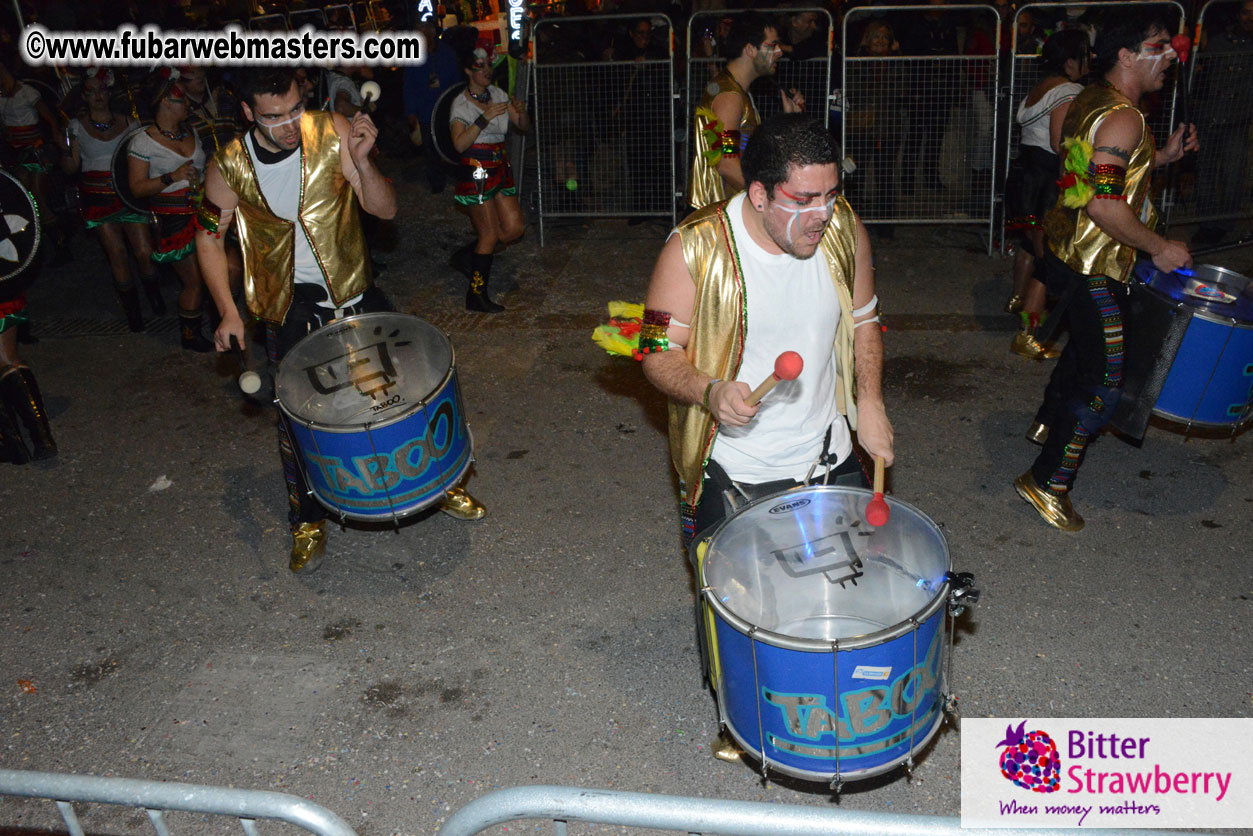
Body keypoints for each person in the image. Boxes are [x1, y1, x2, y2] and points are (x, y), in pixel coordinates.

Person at [196, 67, 489, 574]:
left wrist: (361, 162)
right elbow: (207, 236)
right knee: (298, 418)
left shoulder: (331, 128)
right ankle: (307, 518)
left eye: (293, 109)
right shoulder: (227, 166)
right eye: (273, 117)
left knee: (404, 395)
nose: (289, 124)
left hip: (356, 289)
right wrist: (227, 309)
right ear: (247, 113)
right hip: (289, 305)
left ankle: (440, 484)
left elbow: (386, 209)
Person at [643, 112, 893, 547]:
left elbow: (864, 318)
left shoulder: (845, 229)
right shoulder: (692, 247)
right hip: (735, 469)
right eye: (802, 200)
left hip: (828, 454)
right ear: (758, 195)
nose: (823, 215)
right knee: (746, 612)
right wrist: (710, 391)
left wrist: (870, 401)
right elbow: (654, 349)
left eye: (831, 195)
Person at [1015, 12, 1199, 532]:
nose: (1171, 55)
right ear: (1126, 55)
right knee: (1105, 380)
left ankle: (1047, 423)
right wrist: (1160, 247)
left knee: (1080, 351)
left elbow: (1085, 164)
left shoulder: (1088, 99)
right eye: (1159, 45)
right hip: (1096, 264)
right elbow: (1103, 205)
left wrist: (1157, 159)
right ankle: (1047, 482)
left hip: (1066, 253)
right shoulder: (1126, 118)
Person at [1002, 29, 1090, 360]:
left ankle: (1017, 300)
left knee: (1029, 245)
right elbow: (1060, 144)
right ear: (1070, 62)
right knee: (1047, 260)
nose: (1089, 61)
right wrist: (1081, 184)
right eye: (1084, 55)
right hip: (1044, 179)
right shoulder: (1069, 91)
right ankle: (1028, 332)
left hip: (1024, 174)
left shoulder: (1038, 89)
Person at [62, 69, 162, 332]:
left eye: (102, 89)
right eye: (92, 91)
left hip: (128, 197)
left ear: (110, 92)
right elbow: (71, 168)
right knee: (117, 254)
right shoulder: (75, 127)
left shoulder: (130, 123)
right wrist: (62, 151)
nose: (98, 95)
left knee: (143, 252)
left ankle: (155, 297)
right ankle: (134, 315)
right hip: (98, 201)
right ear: (84, 96)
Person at [127, 68, 213, 352]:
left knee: (226, 268)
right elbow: (137, 188)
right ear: (164, 101)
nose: (187, 103)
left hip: (203, 211)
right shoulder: (143, 141)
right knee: (194, 281)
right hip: (173, 220)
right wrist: (170, 177)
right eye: (181, 99)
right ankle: (190, 335)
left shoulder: (192, 130)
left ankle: (218, 320)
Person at [686, 12, 804, 211]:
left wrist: (790, 120)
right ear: (750, 49)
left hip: (724, 209)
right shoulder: (729, 96)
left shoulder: (738, 92)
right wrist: (769, 200)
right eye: (771, 45)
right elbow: (727, 162)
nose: (779, 52)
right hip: (715, 214)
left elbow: (744, 150)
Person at [448, 44, 529, 313]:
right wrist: (483, 119)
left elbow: (523, 125)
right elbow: (459, 145)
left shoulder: (497, 94)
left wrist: (522, 110)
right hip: (477, 169)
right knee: (490, 234)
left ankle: (468, 256)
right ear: (468, 70)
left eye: (489, 66)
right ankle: (476, 295)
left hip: (499, 166)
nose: (487, 72)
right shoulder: (460, 104)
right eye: (480, 67)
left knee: (514, 228)